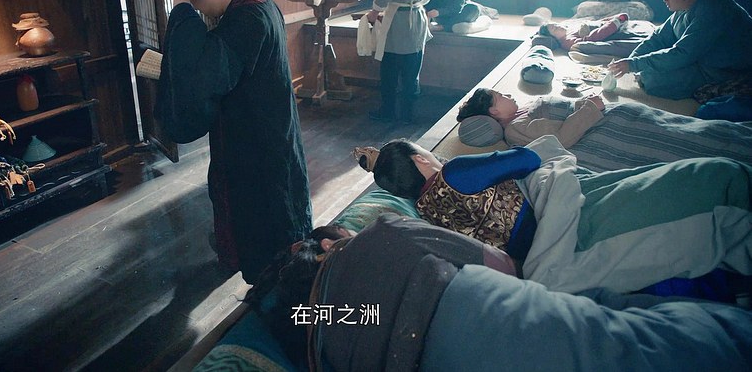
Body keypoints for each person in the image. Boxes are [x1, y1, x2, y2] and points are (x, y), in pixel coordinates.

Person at [245, 214, 752, 372]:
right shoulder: (380, 237)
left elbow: (373, 318)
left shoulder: (319, 330)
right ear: (326, 247)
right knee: (683, 344)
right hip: (475, 311)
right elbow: (504, 267)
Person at [354, 135, 752, 295]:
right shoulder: (455, 173)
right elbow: (528, 158)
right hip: (558, 220)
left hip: (529, 254)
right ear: (420, 160)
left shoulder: (424, 213)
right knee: (709, 178)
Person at [158, 0, 312, 283]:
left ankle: (273, 277)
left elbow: (204, 76)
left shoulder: (246, 18)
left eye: (195, 1)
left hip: (256, 138)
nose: (199, 10)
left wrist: (180, 2)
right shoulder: (258, 3)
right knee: (274, 199)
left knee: (263, 211)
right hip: (266, 127)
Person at [456, 88, 752, 171]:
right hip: (613, 129)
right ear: (494, 112)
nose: (508, 95)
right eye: (500, 97)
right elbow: (561, 139)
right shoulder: (515, 129)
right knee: (689, 141)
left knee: (693, 129)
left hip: (614, 116)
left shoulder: (522, 112)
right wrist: (590, 107)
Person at [608, 0, 752, 100]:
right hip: (697, 60)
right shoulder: (686, 5)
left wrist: (634, 65)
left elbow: (683, 53)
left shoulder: (713, 8)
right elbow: (659, 37)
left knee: (652, 79)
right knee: (647, 70)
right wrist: (632, 59)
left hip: (721, 70)